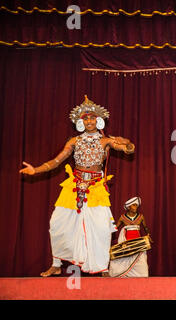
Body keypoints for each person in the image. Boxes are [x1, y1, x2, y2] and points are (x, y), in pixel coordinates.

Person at [19, 95, 135, 277]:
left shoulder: (106, 141)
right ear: (80, 122)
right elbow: (55, 162)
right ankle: (57, 263)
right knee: (57, 224)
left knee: (102, 229)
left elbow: (128, 150)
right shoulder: (73, 142)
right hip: (74, 186)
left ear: (98, 120)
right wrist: (36, 170)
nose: (89, 120)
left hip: (96, 187)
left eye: (92, 118)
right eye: (85, 118)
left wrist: (126, 142)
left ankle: (103, 267)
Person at [108, 196, 153, 277]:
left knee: (141, 258)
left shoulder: (141, 216)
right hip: (126, 241)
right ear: (129, 207)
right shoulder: (122, 217)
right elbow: (115, 228)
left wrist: (148, 235)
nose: (136, 207)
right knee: (125, 257)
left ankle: (141, 274)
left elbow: (145, 227)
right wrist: (109, 232)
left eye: (136, 205)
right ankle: (123, 274)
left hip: (138, 241)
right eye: (134, 205)